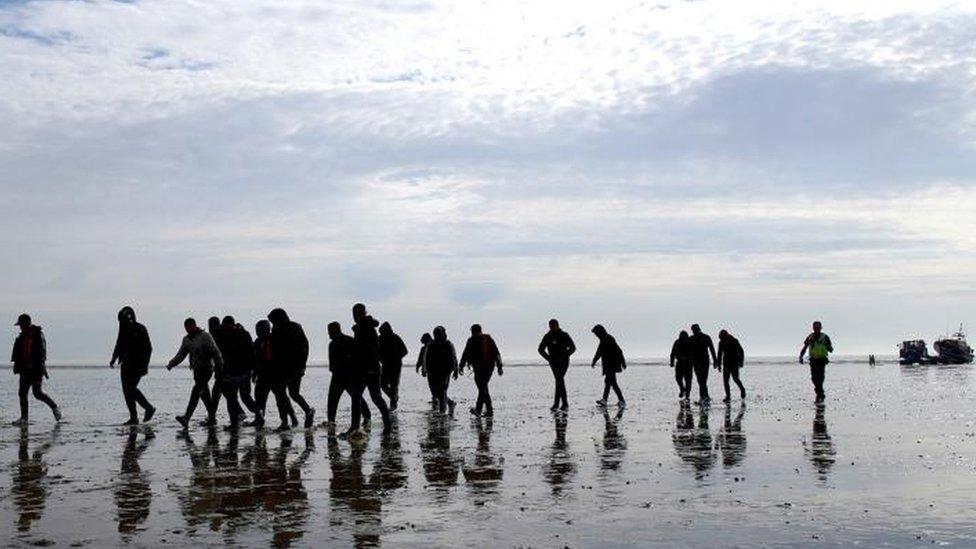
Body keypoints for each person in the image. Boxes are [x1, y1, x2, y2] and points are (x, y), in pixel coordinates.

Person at [166, 317, 223, 428]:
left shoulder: (205, 336)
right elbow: (181, 354)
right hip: (196, 370)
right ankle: (212, 418)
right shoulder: (186, 339)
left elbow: (216, 352)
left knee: (196, 390)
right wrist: (171, 364)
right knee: (204, 395)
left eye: (189, 327)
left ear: (194, 325)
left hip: (207, 369)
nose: (188, 330)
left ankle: (186, 417)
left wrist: (219, 367)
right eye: (186, 328)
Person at [10, 314, 61, 425]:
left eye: (21, 324)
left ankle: (55, 408)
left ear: (26, 323)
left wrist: (36, 364)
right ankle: (24, 419)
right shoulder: (21, 337)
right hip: (24, 370)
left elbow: (42, 353)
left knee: (37, 393)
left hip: (36, 370)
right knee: (22, 393)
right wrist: (17, 366)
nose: (20, 327)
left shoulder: (38, 335)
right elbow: (18, 353)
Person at [268, 308, 314, 428]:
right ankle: (292, 418)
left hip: (292, 367)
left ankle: (293, 418)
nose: (273, 323)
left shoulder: (293, 328)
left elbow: (304, 347)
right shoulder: (281, 329)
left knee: (288, 394)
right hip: (284, 368)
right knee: (288, 394)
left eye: (273, 321)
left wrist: (302, 365)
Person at [110, 306, 155, 425]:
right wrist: (114, 358)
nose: (121, 323)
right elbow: (119, 344)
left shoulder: (140, 328)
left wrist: (144, 364)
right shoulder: (123, 330)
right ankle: (134, 417)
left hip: (138, 365)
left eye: (122, 320)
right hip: (125, 364)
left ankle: (149, 408)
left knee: (131, 388)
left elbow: (148, 348)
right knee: (127, 391)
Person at [249, 320, 295, 430]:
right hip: (262, 376)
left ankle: (287, 420)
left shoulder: (275, 340)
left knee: (281, 399)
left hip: (276, 376)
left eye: (261, 329)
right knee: (259, 398)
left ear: (268, 329)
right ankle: (259, 418)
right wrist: (254, 372)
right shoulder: (257, 342)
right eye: (257, 330)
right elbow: (255, 359)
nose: (258, 332)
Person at [327, 321, 372, 436]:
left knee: (351, 398)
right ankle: (331, 421)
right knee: (339, 398)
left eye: (330, 331)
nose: (329, 334)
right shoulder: (334, 344)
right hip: (340, 375)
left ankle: (366, 416)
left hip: (347, 375)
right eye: (329, 332)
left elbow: (357, 358)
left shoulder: (348, 342)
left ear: (337, 330)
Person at [216, 316, 262, 428]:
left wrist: (253, 371)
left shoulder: (243, 335)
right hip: (230, 372)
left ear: (233, 325)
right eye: (224, 327)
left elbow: (252, 354)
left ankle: (259, 416)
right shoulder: (222, 336)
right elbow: (220, 354)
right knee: (231, 398)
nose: (226, 329)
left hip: (244, 372)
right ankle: (234, 422)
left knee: (245, 397)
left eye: (228, 327)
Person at [351, 303, 391, 430]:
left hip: (369, 368)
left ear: (362, 313)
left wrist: (369, 367)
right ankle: (356, 426)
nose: (354, 316)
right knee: (363, 397)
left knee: (372, 397)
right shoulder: (362, 327)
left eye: (356, 313)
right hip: (365, 368)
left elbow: (370, 349)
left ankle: (386, 421)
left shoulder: (366, 327)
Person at [459, 324, 503, 417]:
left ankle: (478, 410)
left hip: (488, 367)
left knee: (482, 388)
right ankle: (489, 411)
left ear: (478, 331)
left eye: (473, 332)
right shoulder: (471, 340)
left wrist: (499, 366)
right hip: (478, 368)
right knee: (483, 388)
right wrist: (461, 366)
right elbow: (465, 353)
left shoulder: (487, 339)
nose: (472, 334)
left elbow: (496, 353)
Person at [538, 319, 576, 411]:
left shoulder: (564, 335)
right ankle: (562, 403)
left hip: (564, 361)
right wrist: (548, 358)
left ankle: (559, 403)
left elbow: (573, 348)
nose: (552, 328)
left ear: (557, 325)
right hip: (553, 362)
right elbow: (540, 349)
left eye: (553, 326)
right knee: (559, 380)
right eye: (550, 326)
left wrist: (565, 355)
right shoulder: (547, 336)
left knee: (559, 380)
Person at [424, 326, 459, 414]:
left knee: (442, 390)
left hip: (445, 371)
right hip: (432, 371)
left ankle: (442, 412)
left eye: (438, 333)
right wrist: (425, 369)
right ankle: (450, 403)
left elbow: (453, 357)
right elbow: (427, 358)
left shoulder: (448, 344)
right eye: (435, 334)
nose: (437, 335)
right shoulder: (431, 345)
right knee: (435, 392)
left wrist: (456, 370)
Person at [591, 324, 626, 408]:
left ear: (600, 332)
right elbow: (599, 352)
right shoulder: (604, 339)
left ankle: (621, 400)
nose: (596, 335)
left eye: (596, 333)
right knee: (609, 382)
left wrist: (623, 362)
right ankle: (606, 400)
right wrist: (594, 361)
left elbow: (618, 351)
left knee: (612, 382)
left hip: (612, 365)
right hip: (608, 365)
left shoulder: (608, 339)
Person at [799, 321, 834, 403]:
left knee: (820, 378)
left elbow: (831, 350)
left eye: (818, 327)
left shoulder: (825, 337)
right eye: (815, 328)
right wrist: (801, 356)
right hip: (813, 360)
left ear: (821, 328)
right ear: (813, 328)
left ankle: (819, 395)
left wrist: (825, 344)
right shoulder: (810, 337)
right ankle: (820, 394)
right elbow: (805, 347)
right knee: (814, 379)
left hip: (822, 360)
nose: (816, 329)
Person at [378, 322, 408, 411]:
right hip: (385, 365)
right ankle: (393, 398)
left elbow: (405, 351)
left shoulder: (396, 338)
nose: (382, 333)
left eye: (383, 331)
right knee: (382, 384)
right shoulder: (380, 338)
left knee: (394, 386)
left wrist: (396, 357)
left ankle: (393, 405)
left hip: (396, 365)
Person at [688, 324, 718, 404]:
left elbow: (712, 349)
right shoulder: (695, 338)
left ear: (697, 329)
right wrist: (715, 360)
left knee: (702, 380)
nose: (693, 331)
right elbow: (688, 351)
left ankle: (703, 397)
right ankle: (705, 396)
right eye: (693, 330)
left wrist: (715, 361)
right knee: (702, 380)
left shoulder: (701, 338)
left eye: (694, 330)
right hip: (699, 362)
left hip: (702, 361)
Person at [716, 329, 746, 403]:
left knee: (735, 378)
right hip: (726, 364)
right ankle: (728, 396)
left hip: (734, 363)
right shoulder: (721, 343)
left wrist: (741, 362)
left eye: (723, 337)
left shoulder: (734, 340)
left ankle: (742, 389)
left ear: (726, 335)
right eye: (721, 338)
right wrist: (719, 365)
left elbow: (741, 351)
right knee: (726, 381)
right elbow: (719, 354)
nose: (722, 339)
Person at [669, 331, 693, 400]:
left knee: (688, 380)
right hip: (680, 363)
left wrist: (689, 358)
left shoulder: (690, 342)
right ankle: (682, 389)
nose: (683, 337)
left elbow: (693, 352)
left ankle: (687, 395)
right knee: (678, 378)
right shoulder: (677, 342)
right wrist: (672, 362)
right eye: (682, 336)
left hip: (688, 363)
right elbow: (673, 352)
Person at [416, 333, 436, 407]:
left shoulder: (434, 346)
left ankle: (437, 399)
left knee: (435, 386)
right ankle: (435, 398)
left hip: (435, 370)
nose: (423, 343)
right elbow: (421, 358)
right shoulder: (423, 348)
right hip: (428, 370)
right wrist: (418, 367)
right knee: (431, 386)